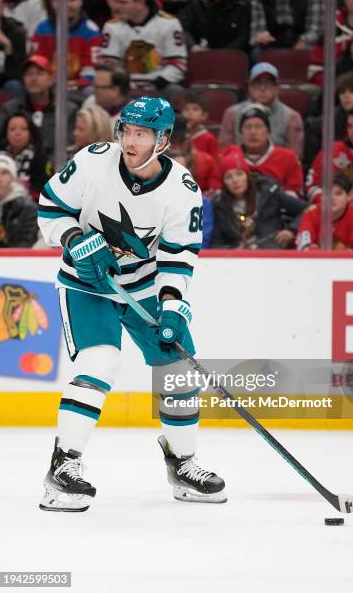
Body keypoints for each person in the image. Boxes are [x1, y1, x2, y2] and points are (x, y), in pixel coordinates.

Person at [37, 96, 226, 511]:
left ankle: (182, 462)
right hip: (86, 284)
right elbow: (50, 209)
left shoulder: (182, 190)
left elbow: (179, 257)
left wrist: (173, 304)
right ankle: (63, 467)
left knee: (178, 369)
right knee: (99, 362)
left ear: (163, 140)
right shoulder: (92, 161)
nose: (129, 141)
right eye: (126, 131)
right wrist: (74, 240)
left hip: (143, 288)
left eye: (141, 134)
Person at [100, 0, 187, 98]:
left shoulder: (169, 23)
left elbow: (178, 64)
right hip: (125, 86)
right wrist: (126, 84)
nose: (117, 7)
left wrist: (156, 84)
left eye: (123, 2)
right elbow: (109, 64)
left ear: (140, 3)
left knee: (178, 93)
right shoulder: (111, 27)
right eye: (117, 2)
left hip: (161, 85)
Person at [211, 150, 306, 248]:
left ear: (247, 176)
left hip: (270, 253)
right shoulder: (220, 207)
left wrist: (291, 230)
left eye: (239, 174)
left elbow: (308, 209)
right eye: (228, 177)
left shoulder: (269, 193)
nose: (235, 180)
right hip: (237, 259)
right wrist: (232, 250)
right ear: (224, 183)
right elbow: (216, 244)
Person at [0, 55, 78, 162]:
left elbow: (70, 147)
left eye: (40, 73)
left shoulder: (68, 111)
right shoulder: (10, 109)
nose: (33, 79)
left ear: (51, 79)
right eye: (29, 74)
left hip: (55, 170)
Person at [219, 62, 304, 158]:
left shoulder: (292, 117)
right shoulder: (232, 114)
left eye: (269, 84)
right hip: (240, 168)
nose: (263, 88)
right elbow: (224, 153)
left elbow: (295, 158)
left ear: (277, 88)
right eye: (257, 83)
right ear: (249, 87)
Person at [31, 0, 102, 91]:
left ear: (81, 1)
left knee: (90, 91)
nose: (67, 5)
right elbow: (37, 64)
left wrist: (75, 84)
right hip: (49, 86)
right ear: (52, 3)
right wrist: (51, 82)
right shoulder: (42, 29)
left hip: (80, 88)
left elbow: (91, 69)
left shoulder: (91, 31)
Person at [224, 105, 304, 197]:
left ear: (268, 131)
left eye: (258, 126)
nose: (253, 132)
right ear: (241, 133)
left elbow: (295, 195)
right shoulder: (229, 157)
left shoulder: (288, 158)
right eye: (247, 127)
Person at [303, 70, 353, 170]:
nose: (346, 96)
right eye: (342, 92)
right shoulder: (320, 125)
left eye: (352, 91)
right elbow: (317, 162)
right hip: (332, 175)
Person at [297, 171, 353, 250]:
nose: (332, 198)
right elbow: (303, 248)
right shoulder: (311, 214)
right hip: (316, 262)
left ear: (349, 196)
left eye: (338, 193)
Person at [250, 0, 324, 54]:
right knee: (257, 52)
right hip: (273, 45)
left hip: (303, 43)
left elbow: (315, 29)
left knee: (312, 50)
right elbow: (257, 32)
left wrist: (298, 47)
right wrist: (261, 37)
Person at [178, 0, 250, 52]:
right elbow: (183, 29)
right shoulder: (196, 3)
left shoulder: (243, 5)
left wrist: (221, 54)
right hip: (198, 54)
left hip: (229, 57)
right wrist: (193, 46)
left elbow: (242, 38)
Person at [0, 110, 49, 201]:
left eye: (23, 129)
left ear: (31, 133)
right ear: (6, 133)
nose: (18, 133)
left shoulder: (40, 158)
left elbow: (42, 191)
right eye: (12, 129)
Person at [169, 114, 221, 195]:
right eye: (172, 141)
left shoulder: (206, 161)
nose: (177, 146)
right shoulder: (153, 163)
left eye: (181, 140)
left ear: (188, 139)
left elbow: (214, 189)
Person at [0, 152, 38, 247]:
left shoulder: (28, 209)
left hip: (19, 260)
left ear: (13, 178)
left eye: (4, 173)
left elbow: (27, 242)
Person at [0, 0, 26, 98]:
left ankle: (18, 115)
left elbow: (20, 74)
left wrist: (8, 48)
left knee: (15, 85)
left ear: (3, 7)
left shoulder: (15, 32)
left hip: (6, 83)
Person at [82, 63, 130, 131]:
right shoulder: (90, 103)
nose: (93, 91)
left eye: (97, 87)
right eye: (93, 85)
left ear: (115, 90)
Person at [181, 91, 219, 161]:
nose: (190, 112)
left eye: (195, 109)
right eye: (186, 109)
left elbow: (213, 163)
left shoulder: (209, 138)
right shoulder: (176, 135)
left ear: (204, 115)